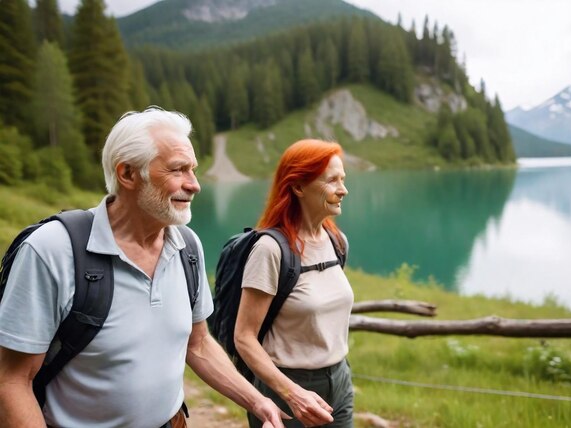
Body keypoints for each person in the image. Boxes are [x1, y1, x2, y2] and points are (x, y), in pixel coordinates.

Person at [0, 107, 287, 427]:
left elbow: (199, 343)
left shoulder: (187, 246)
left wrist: (258, 401)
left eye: (193, 170)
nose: (194, 185)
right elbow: (12, 381)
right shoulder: (52, 250)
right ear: (127, 174)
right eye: (178, 170)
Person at [234, 139, 354, 427]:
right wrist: (292, 393)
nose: (343, 190)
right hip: (285, 389)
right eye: (332, 181)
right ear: (298, 187)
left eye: (343, 179)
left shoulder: (337, 242)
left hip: (339, 381)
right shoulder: (270, 250)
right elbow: (244, 337)